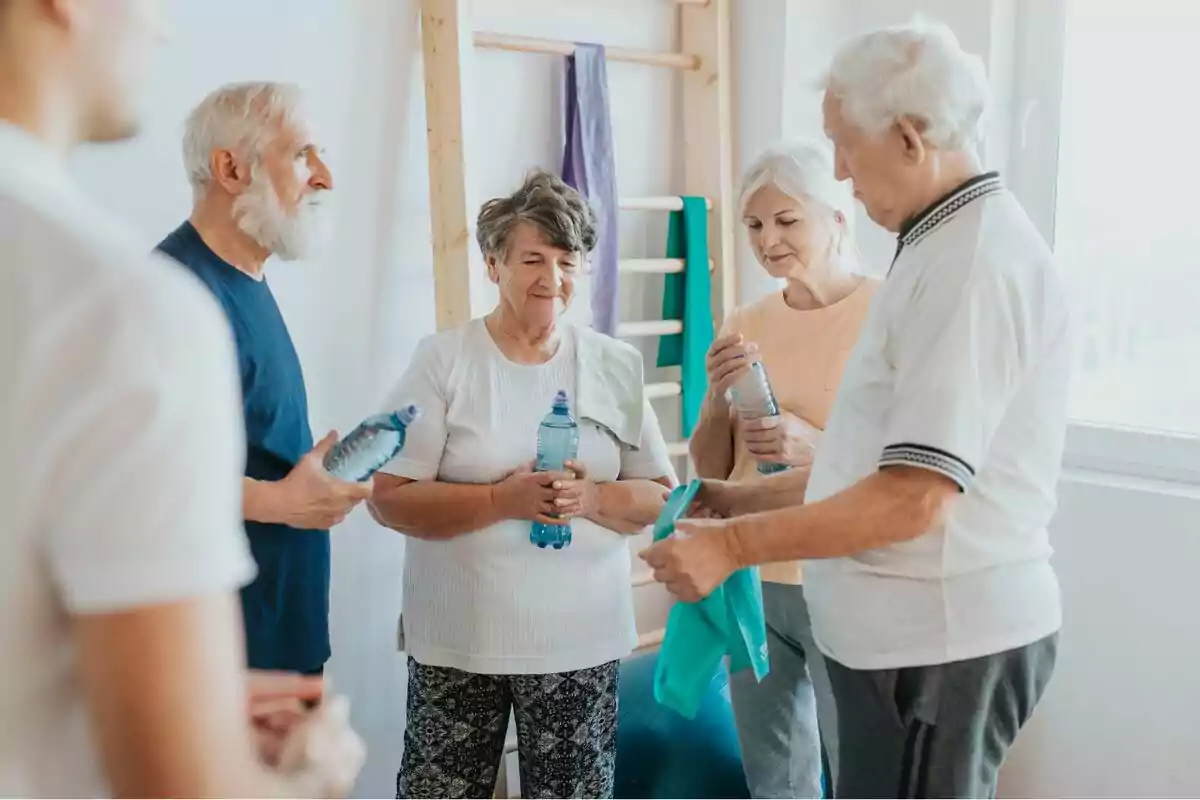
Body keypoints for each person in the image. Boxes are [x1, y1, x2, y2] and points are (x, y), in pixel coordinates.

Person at [642, 20, 1069, 799]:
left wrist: (735, 542)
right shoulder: (937, 246)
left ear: (910, 138)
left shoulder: (969, 264)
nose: (838, 170)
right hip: (909, 645)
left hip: (939, 647)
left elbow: (913, 497)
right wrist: (737, 496)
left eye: (844, 145)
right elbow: (871, 464)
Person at [0, 1, 362, 796]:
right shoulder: (137, 304)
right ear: (232, 170)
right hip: (213, 661)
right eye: (303, 153)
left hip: (246, 653)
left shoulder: (205, 295)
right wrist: (311, 783)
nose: (163, 26)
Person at [369, 170, 676, 799]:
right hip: (458, 639)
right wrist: (497, 500)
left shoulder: (613, 365)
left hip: (577, 640)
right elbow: (388, 496)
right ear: (493, 265)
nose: (552, 278)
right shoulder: (443, 360)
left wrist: (593, 497)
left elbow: (660, 496)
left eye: (568, 261)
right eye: (533, 258)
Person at [156, 81, 372, 677]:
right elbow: (145, 475)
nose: (324, 176)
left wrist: (306, 486)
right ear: (230, 168)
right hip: (226, 657)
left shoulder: (245, 278)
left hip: (280, 634)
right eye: (303, 154)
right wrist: (282, 500)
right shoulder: (173, 294)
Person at [688, 138, 876, 799]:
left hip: (842, 574)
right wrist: (714, 401)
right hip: (753, 578)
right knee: (774, 777)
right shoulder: (745, 320)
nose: (768, 240)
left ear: (836, 219)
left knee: (859, 770)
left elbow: (905, 466)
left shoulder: (885, 314)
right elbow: (711, 468)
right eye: (755, 225)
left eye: (786, 220)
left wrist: (813, 445)